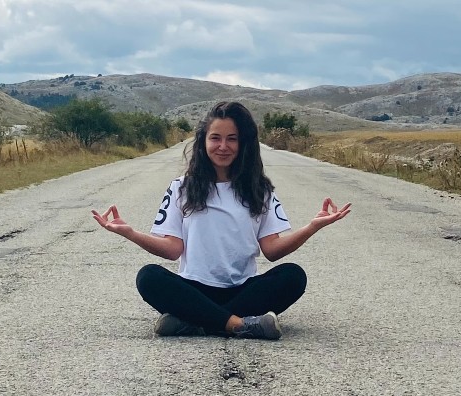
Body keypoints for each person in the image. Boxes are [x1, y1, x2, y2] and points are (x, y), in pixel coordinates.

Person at [92, 101, 351, 340]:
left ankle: (192, 320)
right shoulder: (182, 188)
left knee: (293, 276)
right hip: (193, 288)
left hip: (242, 289)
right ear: (203, 141)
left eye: (232, 139)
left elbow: (272, 251)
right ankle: (241, 325)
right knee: (148, 277)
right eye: (215, 138)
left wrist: (312, 227)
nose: (223, 146)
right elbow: (172, 250)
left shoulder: (260, 190)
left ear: (244, 144)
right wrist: (130, 233)